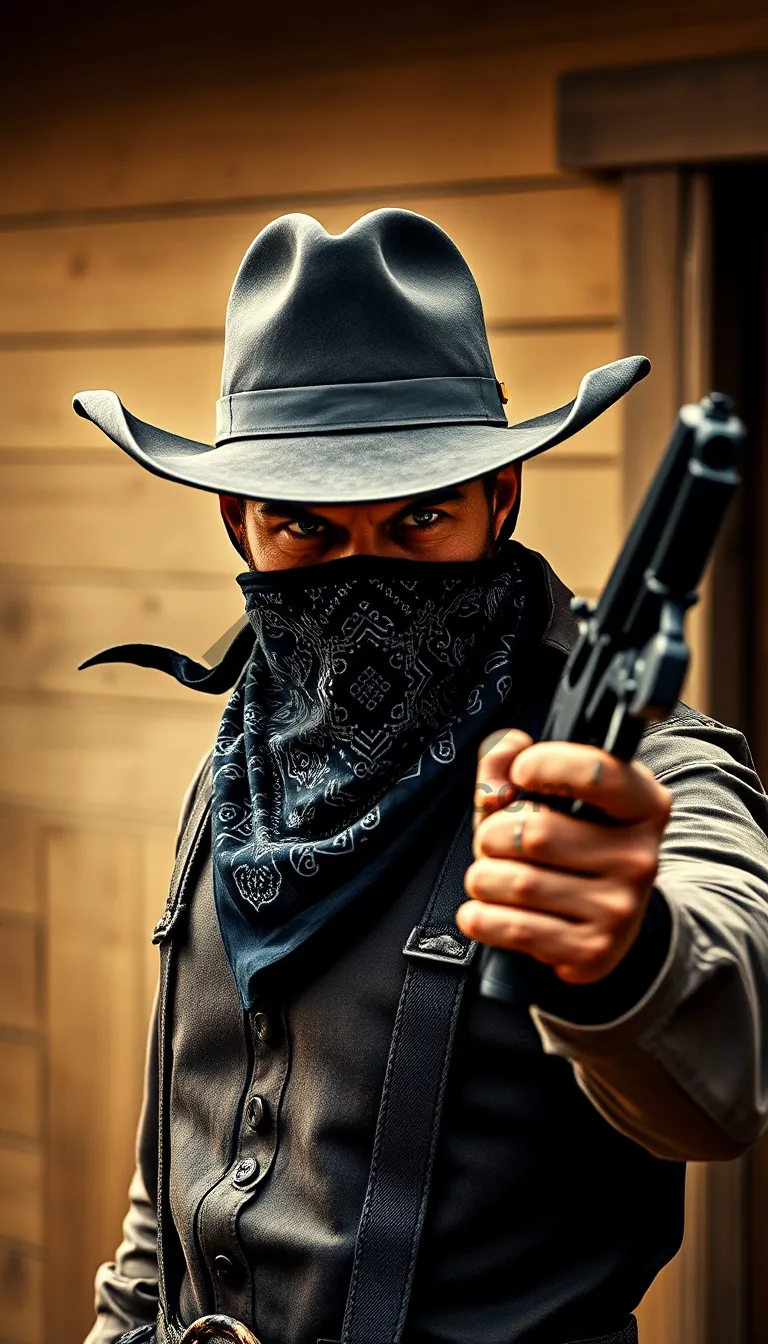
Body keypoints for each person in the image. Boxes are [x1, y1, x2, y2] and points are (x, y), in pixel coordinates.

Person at [74, 209, 768, 1344]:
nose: (364, 574)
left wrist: (621, 955)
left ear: (503, 500)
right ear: (235, 523)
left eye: (420, 519)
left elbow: (730, 1054)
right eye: (304, 528)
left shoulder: (637, 764)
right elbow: (176, 1173)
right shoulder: (237, 762)